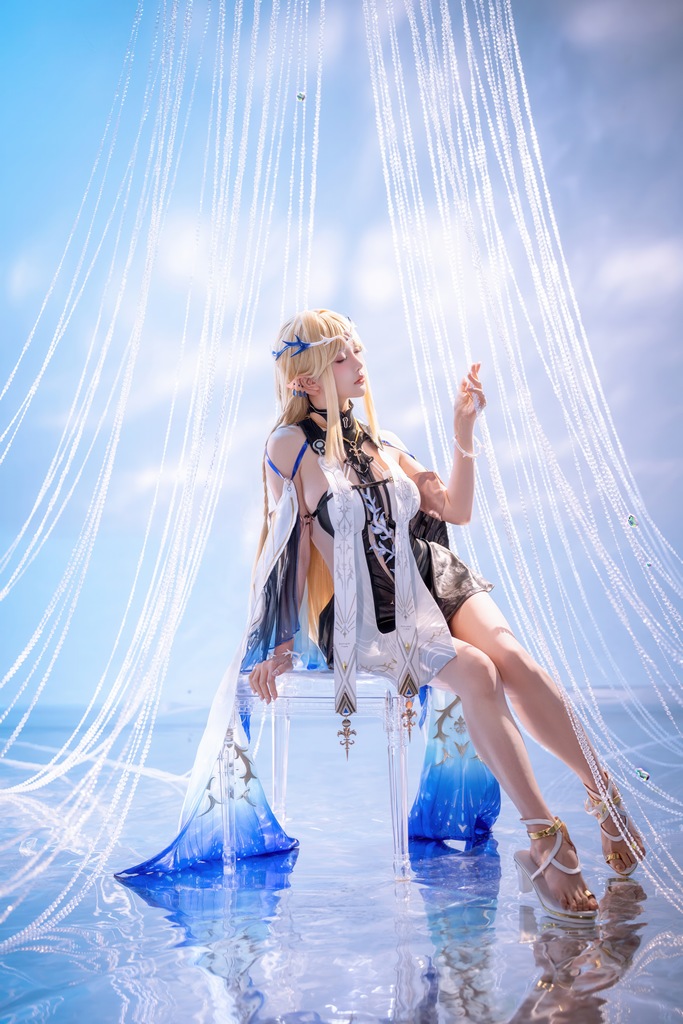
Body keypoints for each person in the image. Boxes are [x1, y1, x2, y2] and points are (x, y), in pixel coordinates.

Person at [118, 309, 644, 923]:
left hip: (429, 575)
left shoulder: (384, 443)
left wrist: (463, 431)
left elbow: (456, 510)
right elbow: (287, 546)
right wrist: (278, 645)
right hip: (367, 611)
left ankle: (603, 795)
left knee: (513, 659)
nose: (359, 363)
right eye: (342, 356)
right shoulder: (288, 446)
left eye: (357, 351)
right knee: (478, 673)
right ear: (306, 379)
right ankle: (544, 836)